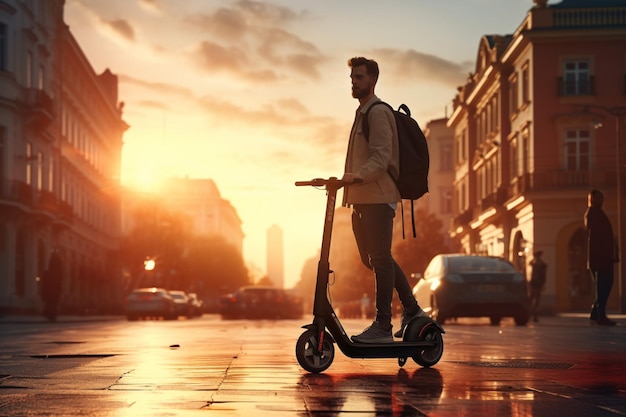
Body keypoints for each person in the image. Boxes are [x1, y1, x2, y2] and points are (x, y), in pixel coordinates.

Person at [341, 57, 425, 343]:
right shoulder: (362, 112)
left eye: (359, 77)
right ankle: (412, 309)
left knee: (379, 257)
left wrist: (357, 176)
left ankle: (383, 325)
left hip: (378, 195)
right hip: (364, 198)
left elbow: (382, 155)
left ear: (372, 80)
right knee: (375, 259)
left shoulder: (377, 112)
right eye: (352, 77)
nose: (354, 81)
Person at [584, 189, 618, 326]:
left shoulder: (597, 213)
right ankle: (600, 316)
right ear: (592, 199)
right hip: (600, 258)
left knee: (604, 285)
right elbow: (597, 236)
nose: (600, 200)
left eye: (601, 198)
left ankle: (595, 314)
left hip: (602, 257)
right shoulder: (593, 213)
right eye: (597, 198)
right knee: (604, 285)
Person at [41, 248, 63, 322]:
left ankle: (50, 315)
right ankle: (51, 316)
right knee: (53, 302)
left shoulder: (55, 261)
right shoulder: (57, 261)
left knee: (52, 302)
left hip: (54, 286)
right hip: (55, 286)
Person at [528, 250, 547, 322]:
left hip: (537, 284)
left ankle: (534, 315)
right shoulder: (540, 264)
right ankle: (533, 315)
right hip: (535, 284)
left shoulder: (540, 264)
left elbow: (543, 275)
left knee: (534, 300)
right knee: (534, 300)